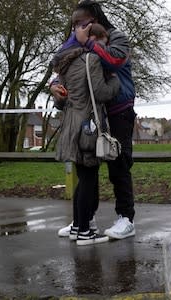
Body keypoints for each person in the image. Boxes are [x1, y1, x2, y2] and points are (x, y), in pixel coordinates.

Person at [51, 0, 137, 240]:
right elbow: (60, 63)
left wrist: (88, 43)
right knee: (87, 167)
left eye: (82, 23)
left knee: (118, 163)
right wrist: (54, 85)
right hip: (90, 113)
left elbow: (114, 61)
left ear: (95, 20)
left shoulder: (117, 37)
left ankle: (126, 218)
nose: (77, 28)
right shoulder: (77, 40)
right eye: (74, 24)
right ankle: (84, 219)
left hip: (117, 109)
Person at [52, 23, 119, 246]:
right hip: (88, 125)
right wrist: (115, 82)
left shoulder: (66, 63)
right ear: (94, 39)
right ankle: (84, 232)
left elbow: (60, 100)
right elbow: (101, 92)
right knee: (89, 178)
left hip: (71, 123)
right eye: (103, 43)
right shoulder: (92, 60)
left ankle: (78, 228)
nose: (105, 48)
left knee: (83, 178)